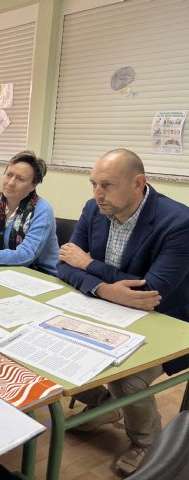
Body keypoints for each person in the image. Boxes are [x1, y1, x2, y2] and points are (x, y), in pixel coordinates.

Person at [57, 148, 189, 476]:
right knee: (54, 344)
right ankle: (104, 406)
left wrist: (88, 265)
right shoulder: (94, 209)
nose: (97, 194)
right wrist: (105, 289)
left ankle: (146, 440)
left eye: (107, 185)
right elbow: (64, 265)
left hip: (168, 320)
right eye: (93, 184)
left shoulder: (179, 223)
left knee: (127, 378)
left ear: (138, 183)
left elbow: (149, 294)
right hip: (108, 308)